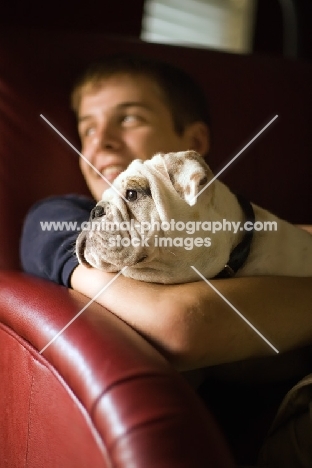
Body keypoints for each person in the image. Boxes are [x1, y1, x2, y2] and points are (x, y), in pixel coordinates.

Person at [20, 54, 312, 465]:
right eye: (86, 128)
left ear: (193, 144)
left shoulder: (256, 225)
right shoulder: (59, 220)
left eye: (129, 118)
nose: (100, 140)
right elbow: (181, 325)